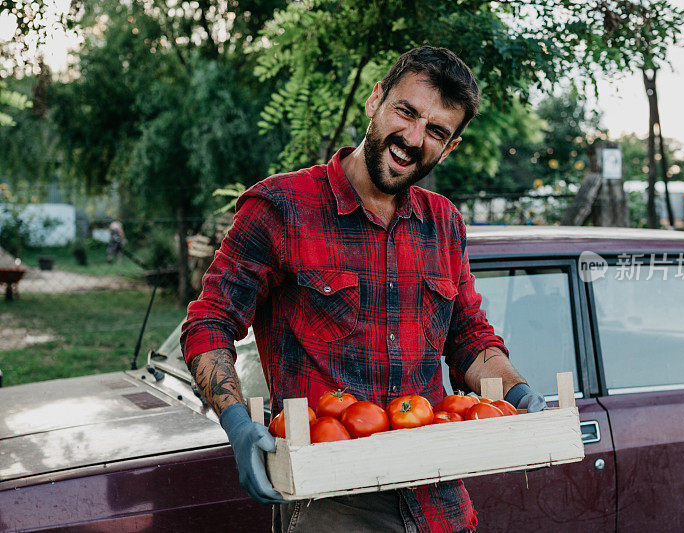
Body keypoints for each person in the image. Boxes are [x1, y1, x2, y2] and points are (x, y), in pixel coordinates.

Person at [181, 46, 546, 533]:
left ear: (450, 147)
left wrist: (518, 394)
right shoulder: (282, 207)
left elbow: (470, 340)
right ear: (375, 100)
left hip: (438, 497)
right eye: (406, 111)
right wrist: (235, 422)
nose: (414, 138)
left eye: (436, 131)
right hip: (331, 502)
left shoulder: (443, 222)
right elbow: (209, 323)